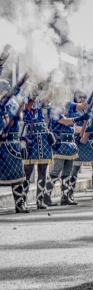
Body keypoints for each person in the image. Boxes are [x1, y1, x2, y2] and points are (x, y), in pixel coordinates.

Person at [47, 86, 90, 206]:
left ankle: (65, 197)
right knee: (56, 170)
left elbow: (83, 106)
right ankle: (46, 195)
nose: (63, 95)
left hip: (70, 142)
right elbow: (65, 121)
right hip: (60, 142)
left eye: (64, 93)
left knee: (67, 172)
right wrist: (80, 118)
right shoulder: (53, 108)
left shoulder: (68, 105)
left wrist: (91, 98)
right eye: (61, 93)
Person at [22, 83, 56, 209]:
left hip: (43, 136)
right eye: (33, 86)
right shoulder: (25, 98)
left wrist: (50, 86)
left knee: (43, 169)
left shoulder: (41, 100)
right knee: (28, 170)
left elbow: (48, 100)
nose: (35, 88)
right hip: (31, 136)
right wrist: (33, 96)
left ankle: (39, 200)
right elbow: (28, 107)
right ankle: (22, 200)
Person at [69, 89, 93, 201]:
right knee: (74, 167)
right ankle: (69, 193)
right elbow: (73, 127)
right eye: (80, 97)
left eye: (84, 97)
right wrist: (84, 130)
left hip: (92, 141)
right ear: (75, 99)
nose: (83, 99)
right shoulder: (73, 111)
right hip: (79, 141)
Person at [0, 79, 27, 213]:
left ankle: (19, 203)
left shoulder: (13, 103)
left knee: (17, 177)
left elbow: (20, 117)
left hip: (14, 143)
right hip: (2, 142)